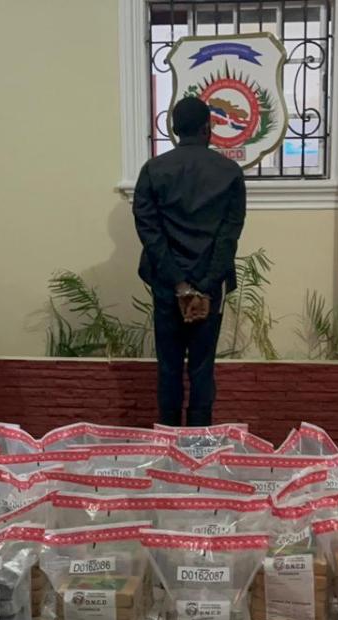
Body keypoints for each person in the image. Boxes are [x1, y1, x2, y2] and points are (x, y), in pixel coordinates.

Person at [133, 97, 247, 427]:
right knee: (202, 368)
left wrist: (178, 283)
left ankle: (167, 440)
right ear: (207, 128)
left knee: (168, 367)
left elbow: (149, 230)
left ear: (174, 130)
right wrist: (207, 285)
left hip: (167, 286)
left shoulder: (153, 170)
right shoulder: (229, 172)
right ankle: (199, 445)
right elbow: (229, 235)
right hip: (211, 286)